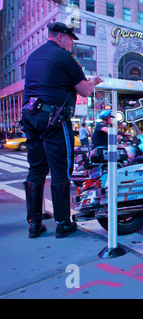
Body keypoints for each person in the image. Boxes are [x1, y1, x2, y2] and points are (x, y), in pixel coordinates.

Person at [21, 22, 103, 239]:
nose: (71, 45)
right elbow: (84, 90)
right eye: (70, 40)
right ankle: (63, 223)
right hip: (53, 118)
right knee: (61, 170)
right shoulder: (64, 57)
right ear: (60, 37)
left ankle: (34, 223)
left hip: (30, 116)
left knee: (36, 169)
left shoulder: (33, 56)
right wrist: (94, 81)